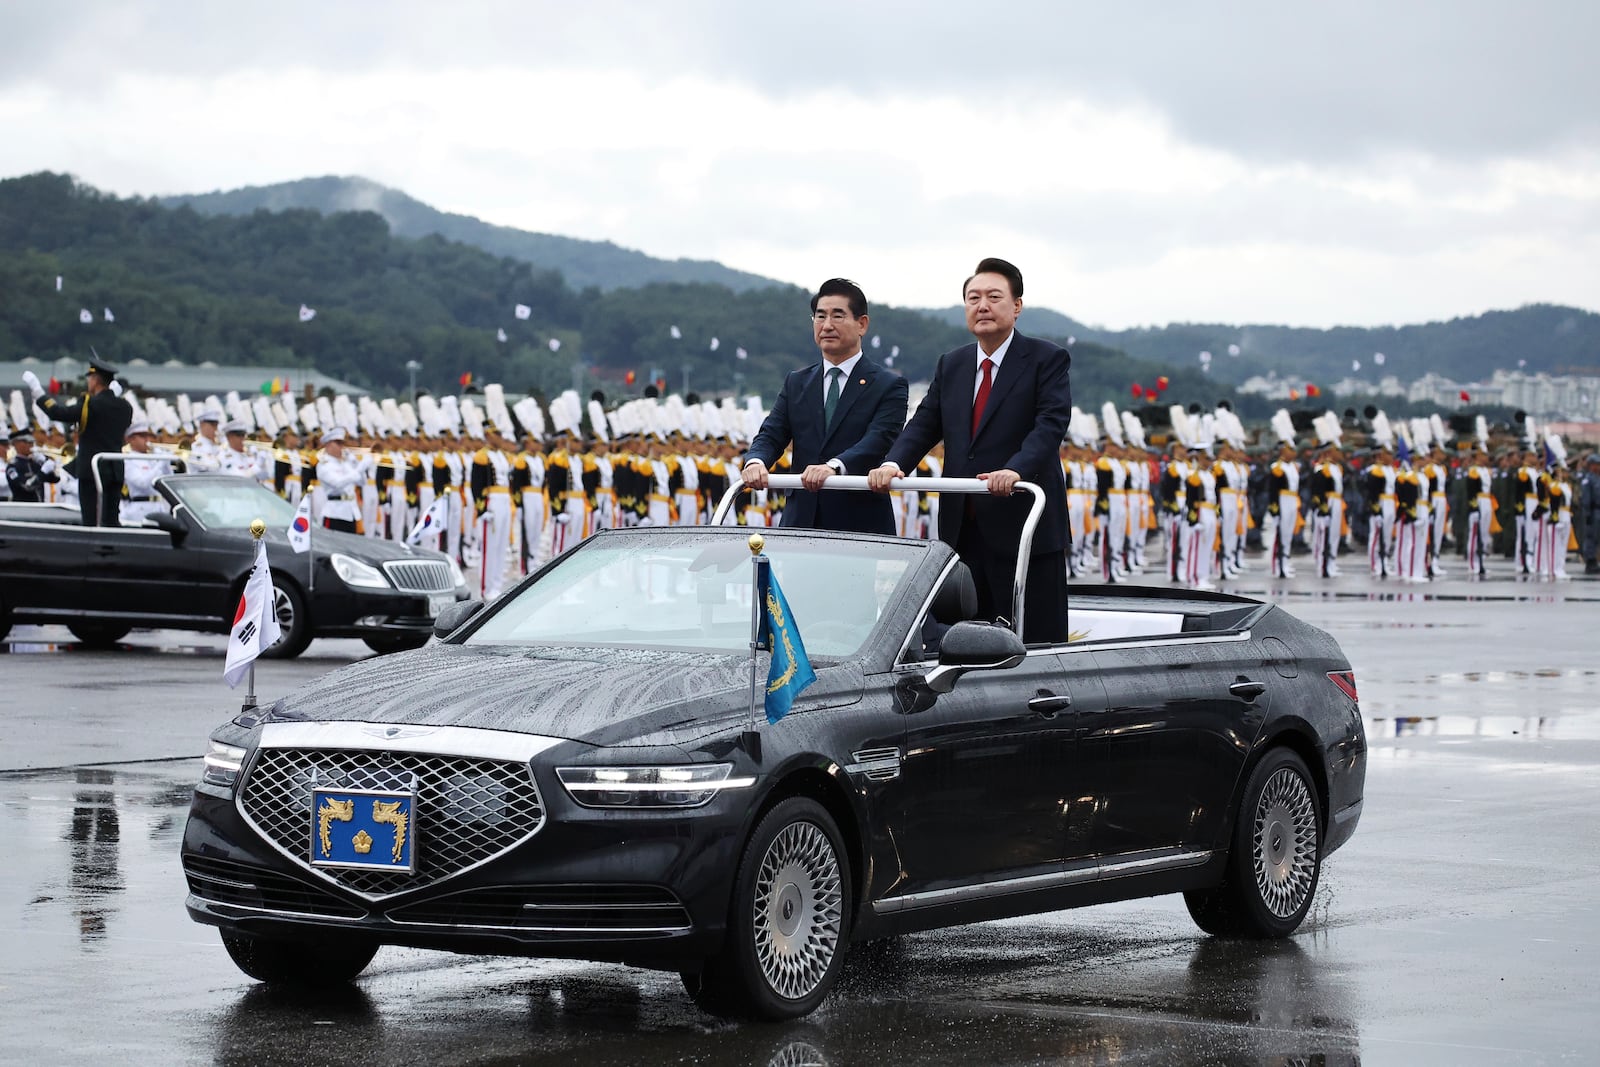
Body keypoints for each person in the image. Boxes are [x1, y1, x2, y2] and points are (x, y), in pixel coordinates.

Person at [868, 258, 1070, 642]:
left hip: (1023, 524)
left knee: (1035, 642)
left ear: (1017, 306)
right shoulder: (953, 364)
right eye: (973, 297)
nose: (983, 306)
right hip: (963, 530)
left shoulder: (1047, 359)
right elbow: (926, 423)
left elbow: (1049, 426)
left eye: (994, 297)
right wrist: (894, 463)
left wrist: (1016, 470)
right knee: (965, 643)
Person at [743, 278, 909, 534]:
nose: (827, 325)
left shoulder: (888, 385)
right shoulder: (797, 382)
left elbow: (878, 440)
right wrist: (756, 461)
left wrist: (833, 466)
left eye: (838, 316)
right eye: (820, 316)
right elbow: (772, 433)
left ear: (862, 324)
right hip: (801, 521)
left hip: (858, 525)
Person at [25, 358, 133, 526]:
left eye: (89, 379)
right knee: (111, 520)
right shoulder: (125, 407)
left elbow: (57, 412)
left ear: (96, 380)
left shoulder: (89, 404)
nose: (88, 382)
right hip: (115, 471)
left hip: (92, 471)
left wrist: (38, 393)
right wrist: (112, 397)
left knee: (90, 520)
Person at [316, 428, 364, 533]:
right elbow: (337, 483)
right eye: (338, 443)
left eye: (342, 443)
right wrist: (358, 470)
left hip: (351, 512)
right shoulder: (324, 465)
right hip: (335, 513)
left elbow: (362, 482)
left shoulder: (345, 463)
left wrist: (356, 463)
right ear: (328, 445)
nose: (341, 447)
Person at [6, 428, 60, 502]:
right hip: (23, 508)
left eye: (32, 442)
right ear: (16, 443)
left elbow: (55, 479)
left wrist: (45, 462)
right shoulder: (13, 467)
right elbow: (26, 487)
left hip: (39, 507)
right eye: (27, 442)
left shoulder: (35, 463)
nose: (31, 445)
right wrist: (43, 472)